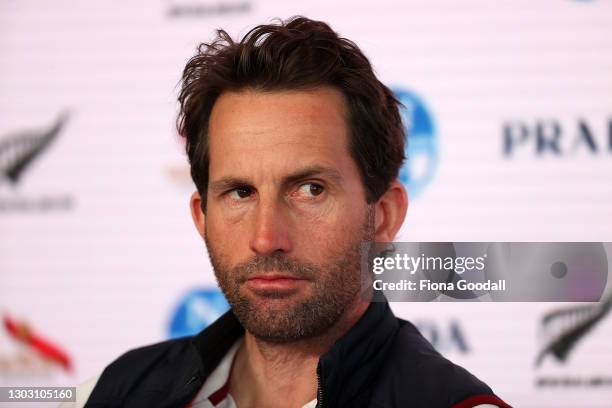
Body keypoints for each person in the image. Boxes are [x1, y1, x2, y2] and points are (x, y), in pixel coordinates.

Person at [77, 16, 510, 408]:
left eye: (309, 189)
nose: (266, 238)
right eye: (240, 192)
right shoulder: (113, 393)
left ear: (384, 215)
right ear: (202, 217)